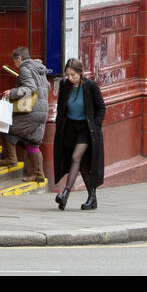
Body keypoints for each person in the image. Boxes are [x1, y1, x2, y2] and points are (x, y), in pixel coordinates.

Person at [52, 58, 105, 210]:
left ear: (81, 73)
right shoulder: (65, 85)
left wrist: (96, 125)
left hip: (86, 128)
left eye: (73, 75)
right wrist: (59, 125)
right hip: (69, 128)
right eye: (68, 75)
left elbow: (101, 107)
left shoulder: (91, 86)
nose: (70, 78)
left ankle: (65, 193)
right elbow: (62, 107)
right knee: (81, 164)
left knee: (76, 157)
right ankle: (92, 198)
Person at [0, 47, 49, 182]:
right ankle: (38, 174)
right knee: (32, 141)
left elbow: (30, 88)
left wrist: (12, 93)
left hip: (32, 111)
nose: (14, 66)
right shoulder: (39, 69)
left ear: (19, 59)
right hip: (42, 111)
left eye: (14, 62)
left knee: (2, 125)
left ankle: (11, 159)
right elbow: (47, 86)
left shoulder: (25, 68)